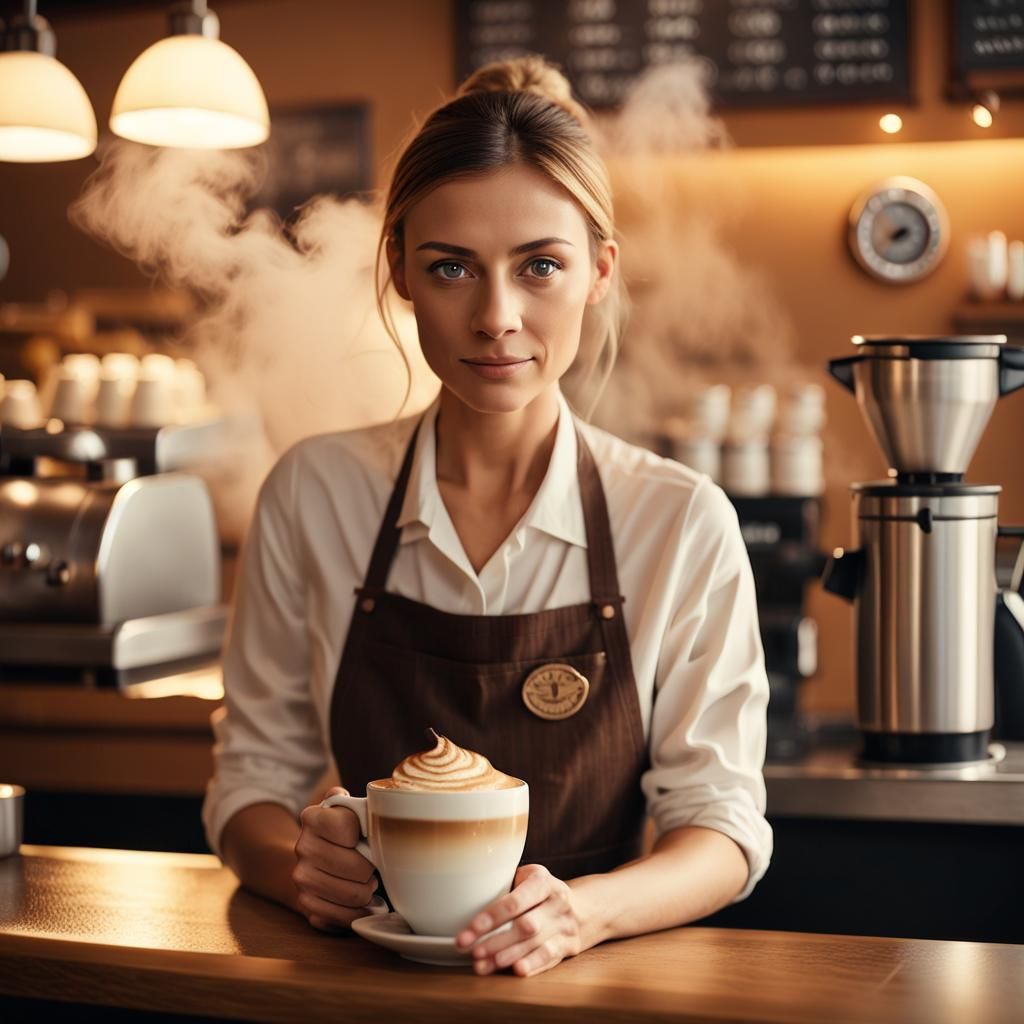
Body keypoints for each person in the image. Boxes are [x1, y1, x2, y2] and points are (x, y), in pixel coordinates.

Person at [202, 55, 772, 978]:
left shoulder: (678, 520)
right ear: (399, 274)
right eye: (452, 268)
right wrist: (299, 869)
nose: (497, 317)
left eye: (540, 265)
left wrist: (580, 915)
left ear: (599, 272)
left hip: (593, 979)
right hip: (360, 987)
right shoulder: (314, 492)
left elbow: (723, 828)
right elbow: (249, 788)